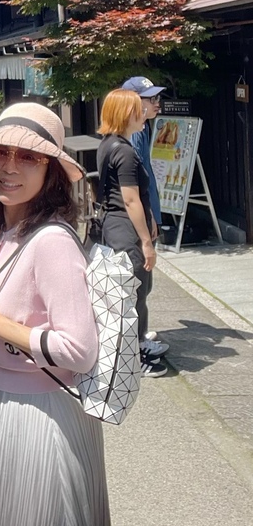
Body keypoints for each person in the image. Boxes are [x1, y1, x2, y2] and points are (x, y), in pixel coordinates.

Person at [0, 102, 114, 526]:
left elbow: (79, 349)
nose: (9, 167)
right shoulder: (8, 231)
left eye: (28, 157)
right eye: (0, 153)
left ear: (51, 173)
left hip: (47, 420)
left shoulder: (51, 242)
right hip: (14, 410)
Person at [97, 88, 168, 378]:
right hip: (125, 228)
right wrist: (146, 242)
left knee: (130, 291)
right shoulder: (124, 151)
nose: (144, 114)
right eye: (138, 110)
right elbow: (130, 200)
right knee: (133, 291)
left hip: (115, 225)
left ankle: (136, 345)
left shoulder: (109, 143)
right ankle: (134, 357)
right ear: (126, 114)